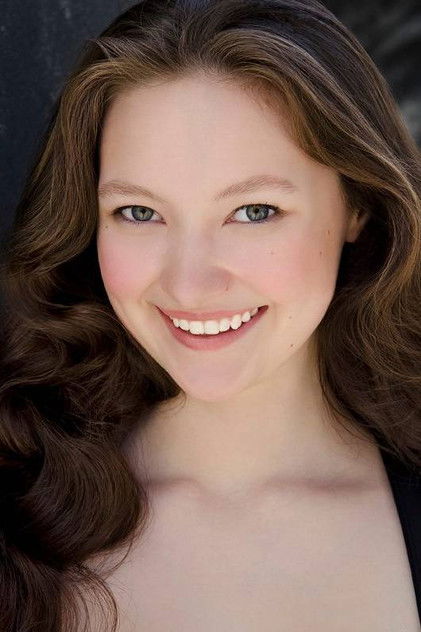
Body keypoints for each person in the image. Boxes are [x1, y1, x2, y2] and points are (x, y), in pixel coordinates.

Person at [0, 1, 420, 630]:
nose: (189, 285)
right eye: (139, 213)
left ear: (357, 207)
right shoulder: (15, 512)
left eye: (254, 212)